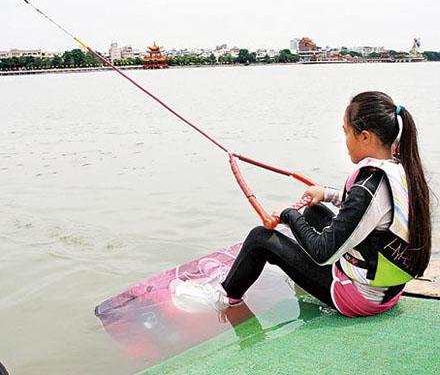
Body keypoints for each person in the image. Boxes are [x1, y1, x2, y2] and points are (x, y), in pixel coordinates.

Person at [174, 91, 431, 317]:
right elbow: (372, 212)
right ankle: (285, 262)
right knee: (313, 211)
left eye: (346, 132)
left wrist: (288, 215)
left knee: (261, 238)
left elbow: (323, 253)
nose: (345, 141)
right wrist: (327, 194)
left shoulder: (368, 186)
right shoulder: (398, 168)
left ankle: (224, 297)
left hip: (360, 298)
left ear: (365, 137)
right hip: (387, 290)